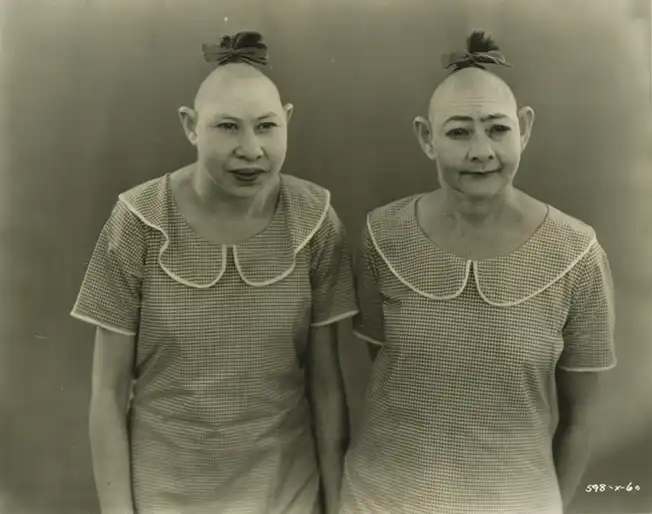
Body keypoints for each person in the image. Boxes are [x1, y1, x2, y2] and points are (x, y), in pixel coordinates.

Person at [70, 31, 356, 514]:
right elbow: (107, 392)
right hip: (165, 494)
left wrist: (337, 504)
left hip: (286, 491)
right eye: (227, 127)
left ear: (287, 121)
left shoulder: (313, 219)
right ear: (190, 126)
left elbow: (326, 386)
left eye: (266, 127)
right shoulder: (139, 220)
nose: (251, 150)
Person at [340, 31, 616, 514]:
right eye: (459, 132)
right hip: (380, 499)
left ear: (524, 129)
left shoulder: (577, 253)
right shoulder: (383, 234)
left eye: (497, 129)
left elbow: (580, 421)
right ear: (426, 138)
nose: (482, 151)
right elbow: (391, 369)